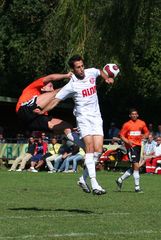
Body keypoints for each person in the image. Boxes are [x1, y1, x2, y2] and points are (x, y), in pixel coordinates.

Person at [38, 55, 114, 195]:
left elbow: (99, 71)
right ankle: (95, 183)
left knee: (98, 151)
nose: (81, 69)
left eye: (82, 66)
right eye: (78, 67)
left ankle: (82, 179)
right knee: (90, 148)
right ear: (73, 69)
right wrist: (43, 110)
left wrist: (106, 77)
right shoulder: (71, 85)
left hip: (96, 118)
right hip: (83, 119)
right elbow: (55, 100)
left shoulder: (90, 72)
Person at [115, 108, 149, 193]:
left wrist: (144, 136)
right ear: (130, 115)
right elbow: (121, 135)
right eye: (132, 114)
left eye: (135, 114)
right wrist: (127, 141)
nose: (134, 115)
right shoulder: (126, 124)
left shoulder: (142, 123)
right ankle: (137, 187)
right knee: (136, 165)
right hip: (131, 146)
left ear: (137, 115)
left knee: (135, 167)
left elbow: (147, 132)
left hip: (138, 146)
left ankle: (120, 179)